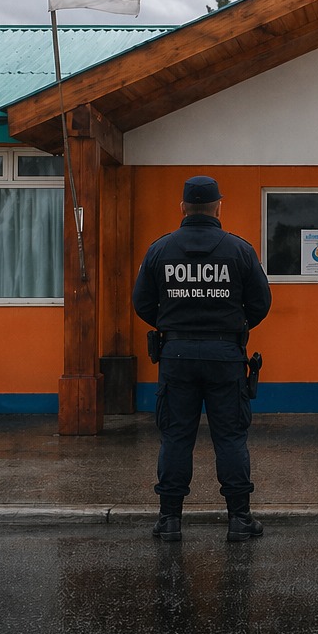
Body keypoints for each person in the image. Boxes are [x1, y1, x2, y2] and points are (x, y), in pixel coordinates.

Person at [134, 175, 272, 543]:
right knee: (230, 437)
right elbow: (261, 304)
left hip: (176, 355)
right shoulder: (239, 251)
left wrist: (174, 324)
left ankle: (170, 521)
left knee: (176, 437)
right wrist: (232, 326)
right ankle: (239, 520)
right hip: (226, 356)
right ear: (218, 207)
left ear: (182, 207)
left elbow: (142, 303)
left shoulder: (160, 250)